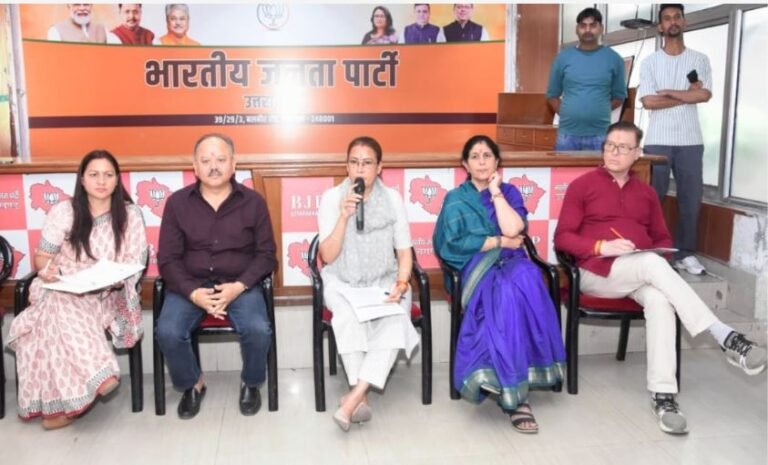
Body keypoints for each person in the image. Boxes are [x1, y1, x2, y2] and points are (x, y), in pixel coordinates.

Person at [554, 121, 766, 435]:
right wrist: (602, 246)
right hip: (596, 272)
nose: (614, 152)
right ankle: (725, 336)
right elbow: (563, 238)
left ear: (638, 153)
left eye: (623, 147)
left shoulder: (647, 193)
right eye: (610, 145)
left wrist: (654, 255)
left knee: (659, 300)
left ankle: (663, 395)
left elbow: (662, 239)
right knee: (652, 265)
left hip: (641, 273)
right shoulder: (582, 186)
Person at [433, 135, 565, 434]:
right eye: (475, 156)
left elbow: (514, 228)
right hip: (474, 268)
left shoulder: (510, 192)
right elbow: (451, 244)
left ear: (497, 162)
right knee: (503, 293)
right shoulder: (456, 199)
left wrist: (495, 192)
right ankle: (516, 397)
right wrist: (497, 242)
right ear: (465, 164)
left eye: (487, 156)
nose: (481, 161)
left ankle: (510, 377)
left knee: (528, 278)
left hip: (513, 262)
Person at [7, 150, 147, 430]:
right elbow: (43, 258)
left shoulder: (130, 215)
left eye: (108, 175)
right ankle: (98, 375)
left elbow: (136, 261)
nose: (101, 181)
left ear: (117, 180)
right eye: (94, 175)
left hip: (108, 292)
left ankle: (61, 409)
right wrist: (49, 271)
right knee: (60, 301)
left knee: (50, 316)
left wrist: (117, 280)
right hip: (63, 285)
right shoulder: (64, 211)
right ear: (82, 179)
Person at [156, 133, 277, 419]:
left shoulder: (253, 202)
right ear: (195, 167)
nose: (213, 166)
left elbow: (267, 255)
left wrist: (239, 286)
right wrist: (193, 293)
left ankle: (250, 382)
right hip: (191, 285)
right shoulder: (177, 203)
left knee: (258, 329)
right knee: (168, 331)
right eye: (206, 160)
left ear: (233, 164)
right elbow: (168, 259)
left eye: (221, 159)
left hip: (239, 284)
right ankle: (192, 383)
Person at [317, 136, 420, 432]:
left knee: (395, 319)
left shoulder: (393, 199)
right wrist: (343, 217)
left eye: (367, 163)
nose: (360, 169)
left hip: (385, 280)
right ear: (346, 166)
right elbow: (327, 256)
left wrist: (402, 282)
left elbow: (404, 252)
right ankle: (359, 396)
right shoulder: (332, 198)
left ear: (379, 167)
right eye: (354, 162)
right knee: (347, 317)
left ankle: (354, 398)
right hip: (343, 281)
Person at [638, 4, 712, 275]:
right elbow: (648, 102)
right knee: (652, 198)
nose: (673, 22)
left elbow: (704, 95)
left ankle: (685, 253)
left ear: (684, 21)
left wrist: (668, 92)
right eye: (667, 18)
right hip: (657, 139)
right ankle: (652, 252)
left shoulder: (699, 59)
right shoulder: (650, 62)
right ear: (660, 26)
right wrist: (686, 95)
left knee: (690, 200)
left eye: (677, 17)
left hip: (691, 140)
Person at [546, 7, 627, 151]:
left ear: (601, 28)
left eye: (593, 25)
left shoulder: (614, 59)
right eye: (583, 26)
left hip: (600, 135)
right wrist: (567, 114)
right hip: (567, 135)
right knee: (564, 167)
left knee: (600, 168)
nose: (588, 30)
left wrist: (599, 110)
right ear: (577, 29)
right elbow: (552, 96)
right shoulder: (562, 58)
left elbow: (619, 97)